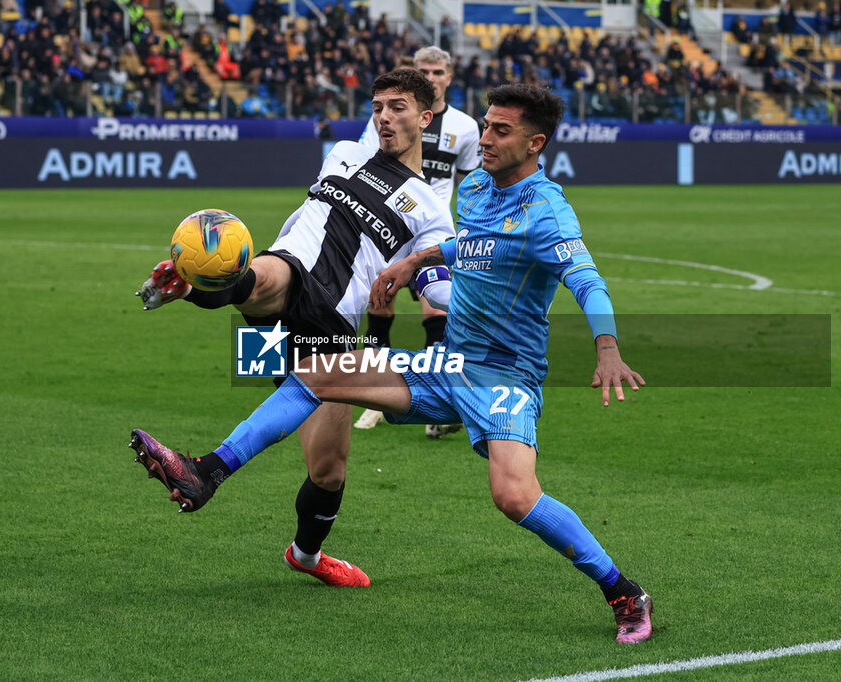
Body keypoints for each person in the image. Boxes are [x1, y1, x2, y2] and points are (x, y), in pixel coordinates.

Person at [129, 84, 653, 644]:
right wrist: (419, 260)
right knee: (320, 374)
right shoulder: (475, 187)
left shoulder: (548, 213)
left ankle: (623, 590)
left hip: (504, 375)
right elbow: (469, 244)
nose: (486, 137)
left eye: (501, 130)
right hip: (447, 361)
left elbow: (587, 280)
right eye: (486, 125)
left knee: (514, 496)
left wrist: (606, 348)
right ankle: (207, 471)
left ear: (536, 142)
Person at [131, 69, 455, 588]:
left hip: (331, 323)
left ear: (425, 116)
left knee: (329, 469)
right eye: (377, 106)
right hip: (294, 274)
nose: (384, 117)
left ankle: (305, 555)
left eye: (398, 107)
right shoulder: (345, 152)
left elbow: (438, 289)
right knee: (268, 278)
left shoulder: (433, 212)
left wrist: (467, 293)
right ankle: (206, 468)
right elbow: (308, 219)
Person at [355, 47, 481, 436]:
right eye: (423, 69)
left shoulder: (466, 127)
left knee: (435, 311)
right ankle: (374, 396)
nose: (431, 76)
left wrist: (467, 230)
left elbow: (471, 182)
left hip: (432, 232)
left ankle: (435, 400)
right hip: (391, 225)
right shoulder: (393, 116)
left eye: (438, 71)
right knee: (380, 303)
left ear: (449, 75)